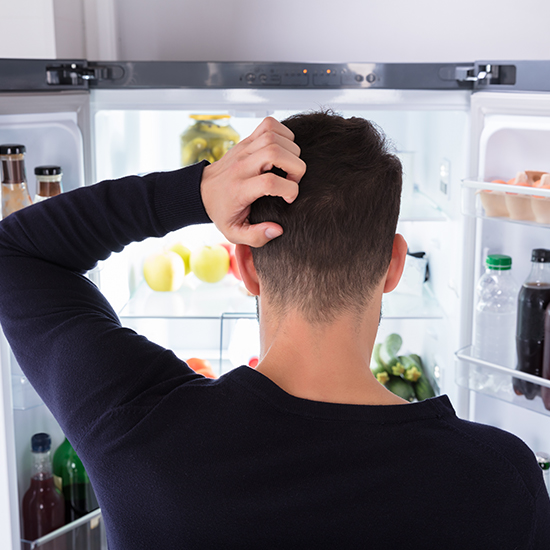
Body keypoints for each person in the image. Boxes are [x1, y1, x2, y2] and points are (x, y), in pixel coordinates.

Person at [0, 112, 548, 550]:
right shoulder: (499, 479)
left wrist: (199, 189)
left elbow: (15, 251)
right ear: (394, 266)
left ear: (243, 266)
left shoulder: (139, 431)